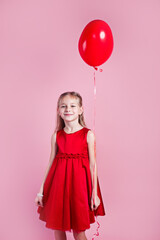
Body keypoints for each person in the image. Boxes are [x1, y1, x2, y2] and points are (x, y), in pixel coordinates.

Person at [35, 91, 105, 240]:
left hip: (79, 188)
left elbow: (93, 165)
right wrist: (41, 191)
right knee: (57, 229)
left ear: (80, 110)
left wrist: (95, 194)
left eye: (73, 106)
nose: (68, 109)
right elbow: (50, 163)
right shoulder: (56, 136)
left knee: (79, 232)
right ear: (58, 111)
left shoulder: (88, 134)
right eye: (63, 106)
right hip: (58, 187)